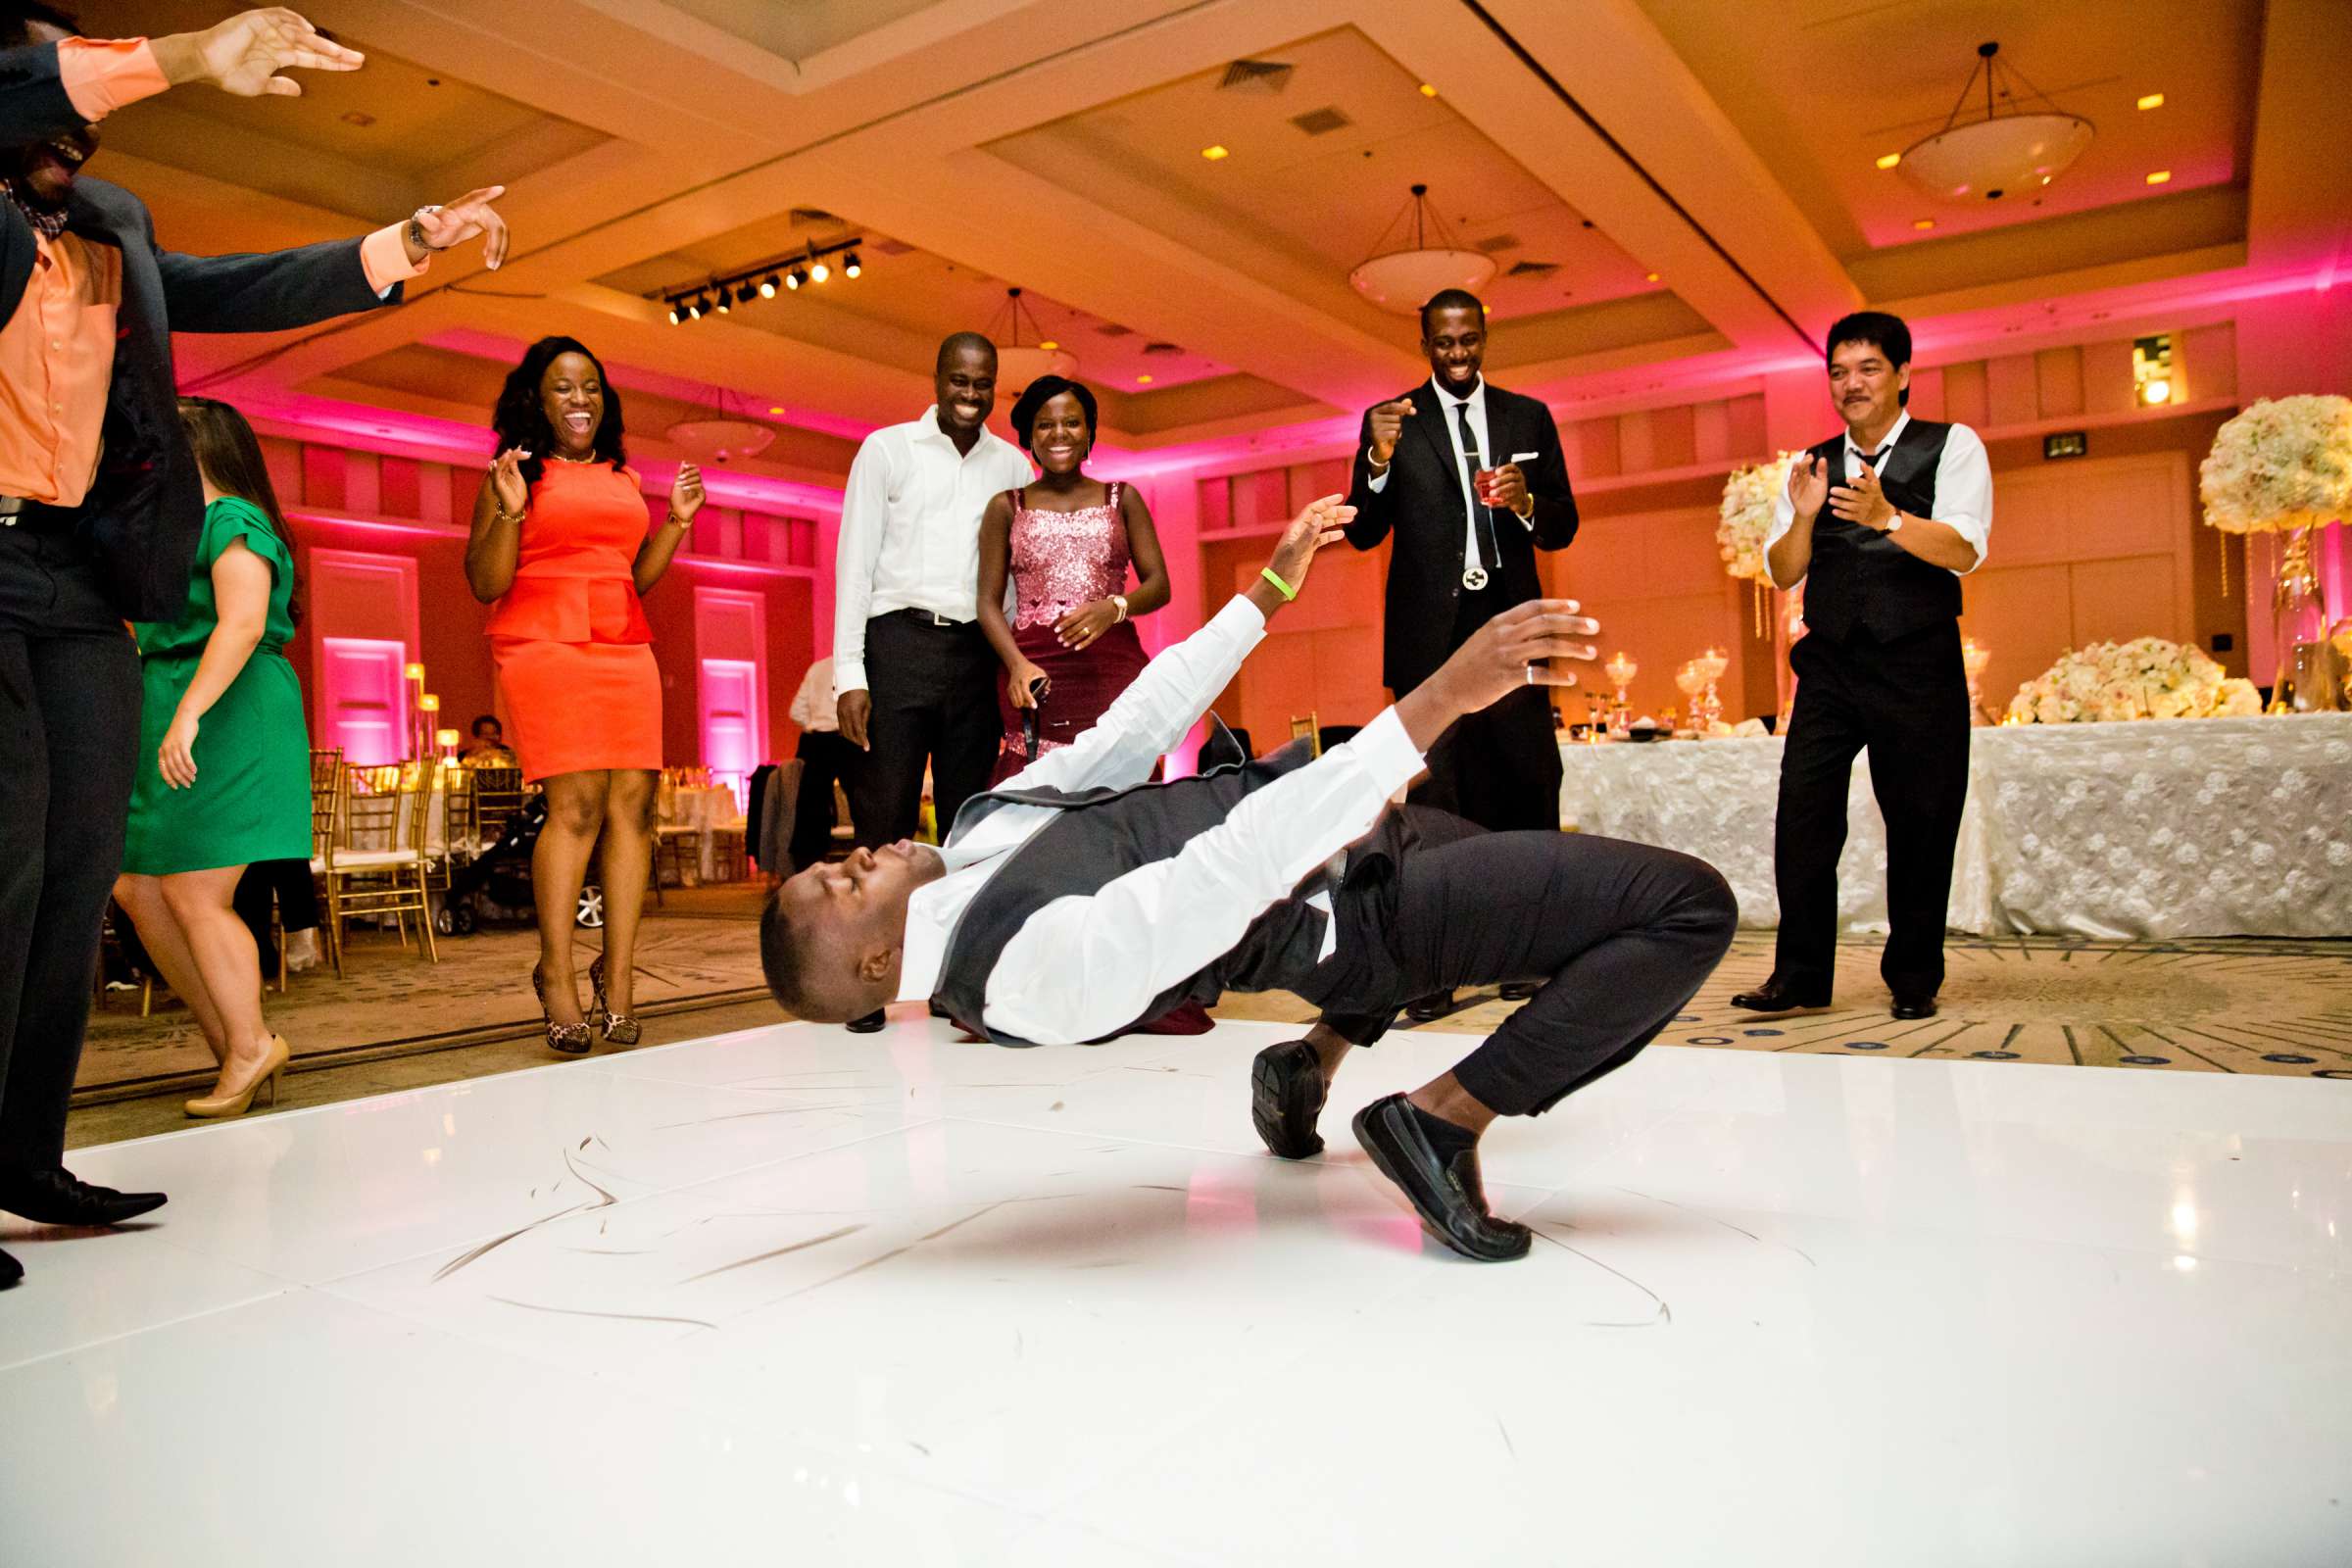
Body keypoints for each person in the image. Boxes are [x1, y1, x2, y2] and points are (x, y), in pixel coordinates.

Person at [761, 499, 1737, 1263]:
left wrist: (1268, 588)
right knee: (1687, 906)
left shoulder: (978, 830)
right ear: (879, 960)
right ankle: (1441, 1118)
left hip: (1366, 844)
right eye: (841, 889)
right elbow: (1227, 875)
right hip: (1363, 918)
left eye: (830, 862)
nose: (853, 856)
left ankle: (1308, 1064)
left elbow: (1130, 730)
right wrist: (1442, 698)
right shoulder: (1022, 977)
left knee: (1531, 907)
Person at [0, 3, 510, 1289]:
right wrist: (173, 59)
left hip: (80, 571)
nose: (74, 120)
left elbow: (234, 289)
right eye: (51, 91)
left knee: (76, 872)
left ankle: (25, 1159)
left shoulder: (110, 223)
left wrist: (398, 246)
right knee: (4, 864)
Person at [1733, 311, 1992, 1022]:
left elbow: (1965, 550)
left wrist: (1888, 518)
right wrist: (1807, 517)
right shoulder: (1812, 461)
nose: (1852, 384)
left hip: (1918, 660)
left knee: (1921, 818)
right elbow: (1783, 574)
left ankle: (1913, 975)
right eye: (1840, 372)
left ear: (1904, 374)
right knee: (1803, 813)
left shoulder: (1954, 446)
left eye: (1868, 369)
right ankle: (1800, 974)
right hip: (1830, 666)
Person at [1345, 287, 1579, 1020]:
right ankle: (1434, 971)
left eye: (1469, 340)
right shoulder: (1392, 422)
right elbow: (1362, 531)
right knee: (1436, 805)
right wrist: (1378, 461)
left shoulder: (1527, 417)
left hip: (1509, 623)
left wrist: (1526, 502)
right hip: (1428, 641)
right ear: (1425, 343)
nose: (1458, 353)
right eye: (1444, 343)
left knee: (1527, 787)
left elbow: (1562, 527)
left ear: (1484, 335)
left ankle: (1531, 952)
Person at [466, 336, 704, 1054]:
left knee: (635, 803)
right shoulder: (513, 474)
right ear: (537, 399)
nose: (581, 400)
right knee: (576, 805)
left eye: (592, 387)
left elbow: (634, 578)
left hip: (623, 643)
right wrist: (509, 510)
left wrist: (677, 522)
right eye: (565, 387)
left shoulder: (623, 477)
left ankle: (620, 976)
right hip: (544, 641)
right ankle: (558, 976)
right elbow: (485, 582)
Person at [112, 398, 311, 1119]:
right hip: (168, 698)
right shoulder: (177, 528)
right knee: (137, 888)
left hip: (228, 704)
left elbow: (244, 619)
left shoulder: (233, 518)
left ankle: (250, 1043)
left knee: (197, 890)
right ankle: (235, 1036)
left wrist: (190, 712)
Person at [830, 332, 1030, 1030]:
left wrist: (1010, 663)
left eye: (983, 385)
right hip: (896, 644)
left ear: (993, 386)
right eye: (959, 381)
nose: (970, 396)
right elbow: (853, 566)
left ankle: (955, 985)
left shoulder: (1012, 465)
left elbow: (1009, 580)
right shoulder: (886, 450)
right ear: (938, 377)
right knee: (883, 821)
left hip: (975, 655)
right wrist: (848, 675)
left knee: (966, 824)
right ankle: (865, 983)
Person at [975, 373, 1171, 784]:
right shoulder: (1006, 507)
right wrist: (1015, 666)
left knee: (1120, 787)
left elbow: (1158, 585)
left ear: (1089, 433)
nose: (1059, 433)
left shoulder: (1122, 498)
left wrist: (1114, 608)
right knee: (1038, 790)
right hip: (1035, 671)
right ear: (1029, 437)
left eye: (1072, 422)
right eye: (1045, 424)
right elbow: (987, 604)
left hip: (1111, 667)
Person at [781, 656, 858, 873]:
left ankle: (808, 863)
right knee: (861, 799)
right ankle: (870, 848)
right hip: (847, 740)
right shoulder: (857, 665)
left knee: (811, 805)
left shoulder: (818, 668)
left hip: (816, 742)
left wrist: (813, 724)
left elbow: (796, 710)